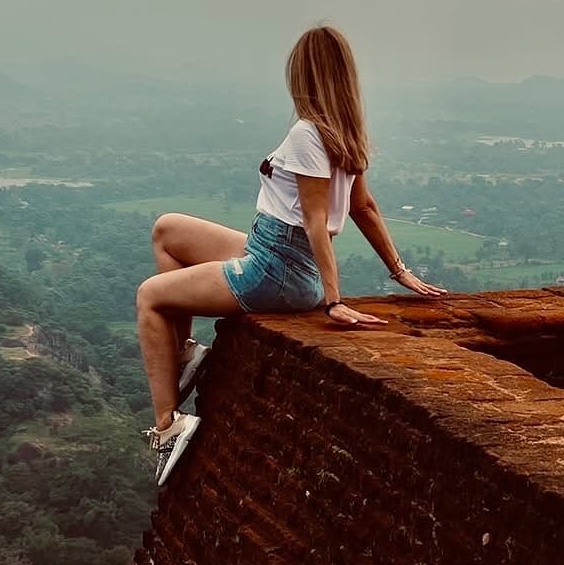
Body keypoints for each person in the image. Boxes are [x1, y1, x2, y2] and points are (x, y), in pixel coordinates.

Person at [137, 24, 446, 485]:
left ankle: (167, 425)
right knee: (168, 230)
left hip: (277, 267)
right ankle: (181, 356)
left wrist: (334, 299)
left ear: (302, 77)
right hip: (274, 250)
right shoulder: (343, 131)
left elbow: (316, 222)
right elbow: (363, 207)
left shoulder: (307, 134)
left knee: (150, 297)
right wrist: (398, 270)